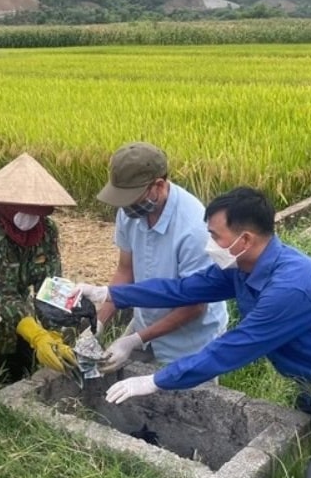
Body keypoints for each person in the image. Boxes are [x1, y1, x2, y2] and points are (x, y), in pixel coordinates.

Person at [76, 186, 311, 478]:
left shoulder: (292, 286)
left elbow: (230, 351)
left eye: (215, 236)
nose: (209, 245)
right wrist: (111, 295)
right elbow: (183, 289)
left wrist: (154, 381)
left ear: (244, 239)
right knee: (299, 453)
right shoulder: (241, 268)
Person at [93, 142, 227, 373]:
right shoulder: (130, 211)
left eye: (132, 197)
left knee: (185, 402)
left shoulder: (194, 229)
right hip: (146, 319)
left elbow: (195, 306)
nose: (126, 207)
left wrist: (132, 341)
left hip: (190, 339)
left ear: (159, 185)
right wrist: (98, 323)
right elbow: (125, 271)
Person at [0, 153, 78, 384]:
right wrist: (36, 334)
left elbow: (52, 281)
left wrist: (55, 330)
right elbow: (0, 295)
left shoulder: (46, 231)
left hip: (23, 322)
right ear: (7, 206)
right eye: (24, 210)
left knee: (27, 374)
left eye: (37, 212)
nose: (31, 217)